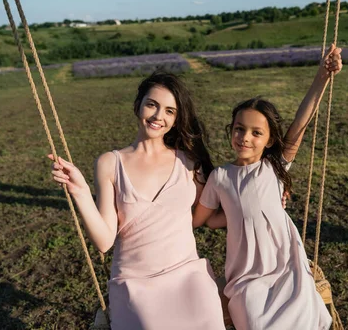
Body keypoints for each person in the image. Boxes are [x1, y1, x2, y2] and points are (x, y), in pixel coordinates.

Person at [49, 72, 225, 330]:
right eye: (152, 104)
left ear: (176, 119)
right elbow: (104, 241)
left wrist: (261, 202)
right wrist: (81, 191)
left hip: (188, 277)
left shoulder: (189, 163)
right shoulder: (110, 163)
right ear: (138, 105)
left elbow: (205, 216)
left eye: (169, 111)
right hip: (136, 283)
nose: (158, 116)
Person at [193, 45, 343, 330]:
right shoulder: (221, 177)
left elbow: (301, 123)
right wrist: (235, 214)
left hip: (285, 264)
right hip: (246, 275)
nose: (244, 137)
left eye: (256, 132)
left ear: (270, 139)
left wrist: (321, 78)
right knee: (254, 320)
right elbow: (202, 220)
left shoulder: (274, 166)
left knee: (304, 313)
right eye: (239, 128)